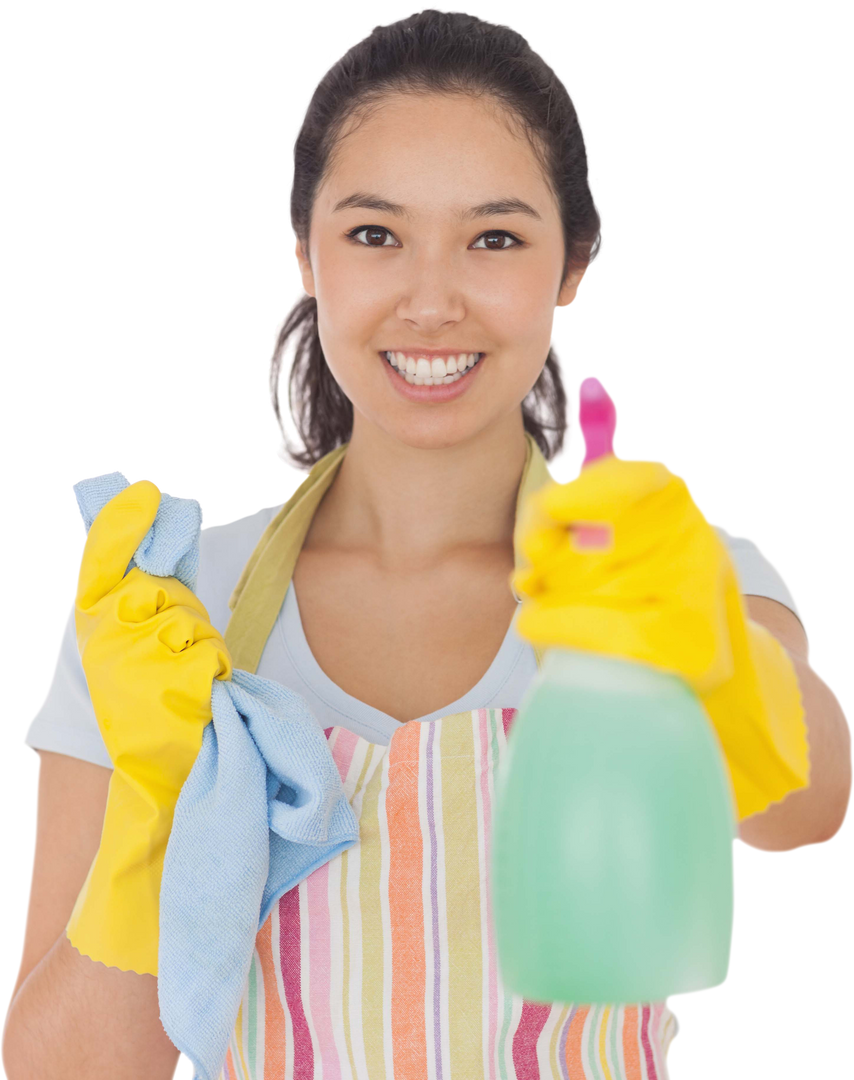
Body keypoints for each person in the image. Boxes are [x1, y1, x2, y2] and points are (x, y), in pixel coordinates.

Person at [15, 9, 827, 1079]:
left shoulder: (668, 573)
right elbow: (56, 1070)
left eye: (493, 237)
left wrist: (709, 648)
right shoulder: (168, 613)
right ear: (305, 256)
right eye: (374, 234)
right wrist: (158, 807)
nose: (432, 299)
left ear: (570, 266)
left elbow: (806, 815)